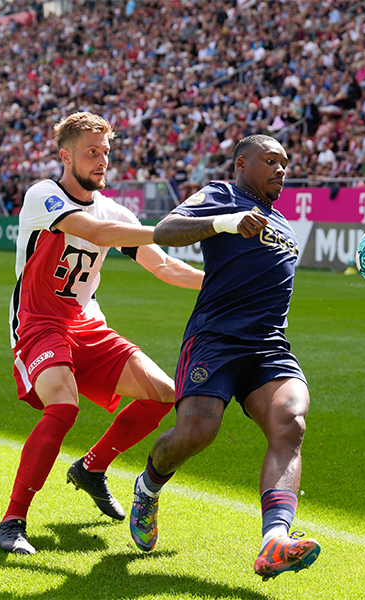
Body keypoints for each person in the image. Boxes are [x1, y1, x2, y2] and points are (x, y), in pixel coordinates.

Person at [0, 112, 204, 555]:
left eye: (106, 152)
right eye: (92, 152)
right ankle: (12, 521)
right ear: (65, 155)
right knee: (63, 405)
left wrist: (219, 279)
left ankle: (91, 469)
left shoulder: (115, 210)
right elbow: (93, 230)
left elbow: (162, 265)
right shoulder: (43, 195)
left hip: (86, 322)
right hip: (38, 321)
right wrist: (173, 230)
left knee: (164, 394)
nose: (102, 161)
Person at [129, 134, 321, 581]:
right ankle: (147, 487)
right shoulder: (221, 195)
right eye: (270, 160)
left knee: (291, 422)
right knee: (197, 432)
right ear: (240, 164)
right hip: (215, 340)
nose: (280, 169)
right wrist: (226, 222)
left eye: (285, 163)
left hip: (269, 348)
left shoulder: (284, 225)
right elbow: (165, 232)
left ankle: (275, 540)